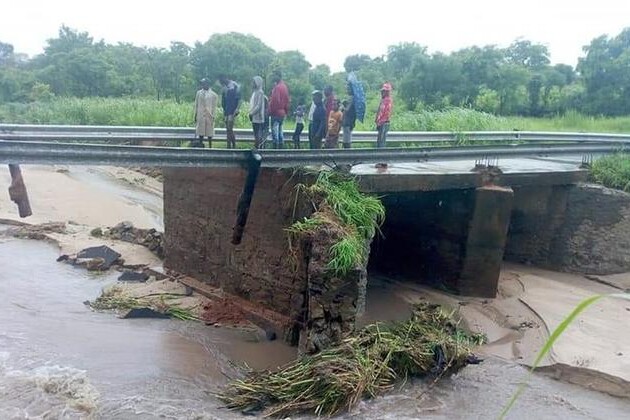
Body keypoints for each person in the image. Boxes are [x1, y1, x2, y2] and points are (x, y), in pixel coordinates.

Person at [193, 78, 218, 148]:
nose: (203, 85)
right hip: (201, 114)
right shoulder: (199, 93)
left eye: (204, 84)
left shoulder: (213, 95)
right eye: (202, 84)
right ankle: (200, 144)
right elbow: (196, 104)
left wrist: (213, 115)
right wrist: (195, 114)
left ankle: (210, 146)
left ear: (208, 84)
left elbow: (214, 106)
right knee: (200, 130)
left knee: (209, 131)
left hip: (209, 114)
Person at [268, 71, 290, 149]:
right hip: (282, 113)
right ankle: (281, 150)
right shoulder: (284, 87)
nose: (273, 77)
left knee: (275, 133)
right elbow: (287, 100)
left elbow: (275, 101)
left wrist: (270, 111)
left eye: (274, 75)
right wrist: (286, 111)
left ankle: (275, 151)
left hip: (276, 113)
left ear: (278, 76)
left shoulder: (277, 88)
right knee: (280, 132)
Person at [219, 75, 241, 149]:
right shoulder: (224, 88)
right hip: (227, 110)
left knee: (229, 128)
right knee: (227, 129)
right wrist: (224, 110)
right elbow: (223, 101)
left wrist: (237, 109)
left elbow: (239, 99)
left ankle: (233, 145)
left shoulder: (235, 86)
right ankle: (229, 145)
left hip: (233, 110)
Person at [249, 76, 265, 149]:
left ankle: (258, 148)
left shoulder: (260, 92)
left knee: (258, 133)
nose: (252, 84)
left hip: (258, 116)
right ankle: (257, 147)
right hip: (254, 116)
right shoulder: (255, 92)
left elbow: (258, 106)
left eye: (254, 82)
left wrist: (252, 113)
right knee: (255, 134)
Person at [375, 82, 393, 148]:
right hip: (383, 123)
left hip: (383, 123)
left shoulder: (386, 100)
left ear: (387, 92)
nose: (382, 92)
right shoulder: (385, 100)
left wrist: (378, 121)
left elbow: (382, 113)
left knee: (381, 143)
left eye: (384, 91)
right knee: (380, 142)